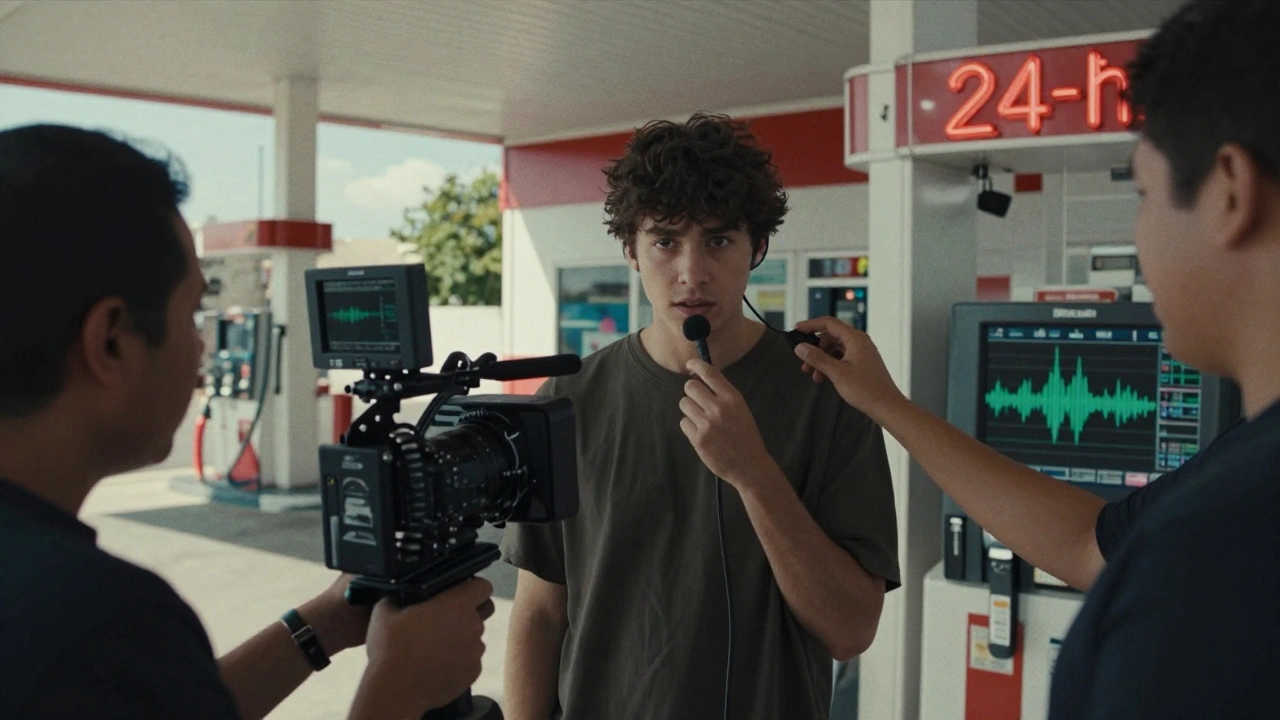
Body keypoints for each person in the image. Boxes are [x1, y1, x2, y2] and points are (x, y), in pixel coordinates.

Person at [790, 1, 1280, 717]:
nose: (1142, 234)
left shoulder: (1210, 560)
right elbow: (1089, 542)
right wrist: (887, 405)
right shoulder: (1223, 493)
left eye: (1142, 193)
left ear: (1230, 192)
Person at [0, 124, 494, 720]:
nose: (202, 349)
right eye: (193, 316)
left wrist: (324, 623)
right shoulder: (97, 623)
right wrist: (399, 686)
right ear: (110, 342)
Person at [500, 112, 900, 720]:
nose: (691, 272)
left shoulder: (827, 392)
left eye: (718, 239)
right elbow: (538, 612)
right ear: (630, 250)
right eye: (665, 240)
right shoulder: (569, 400)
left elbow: (850, 630)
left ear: (757, 248)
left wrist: (755, 475)